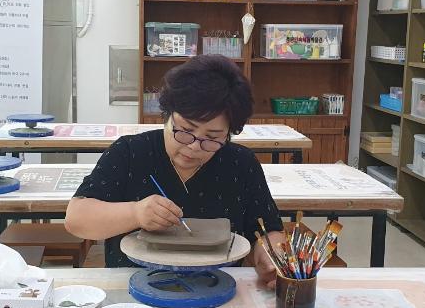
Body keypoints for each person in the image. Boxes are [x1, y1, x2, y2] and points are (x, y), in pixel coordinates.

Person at [65, 55, 286, 287]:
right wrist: (136, 213)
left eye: (212, 138)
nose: (194, 147)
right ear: (167, 115)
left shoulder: (241, 163)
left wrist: (271, 258)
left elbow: (268, 230)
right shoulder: (130, 152)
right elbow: (76, 219)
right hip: (135, 289)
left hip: (219, 289)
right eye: (185, 130)